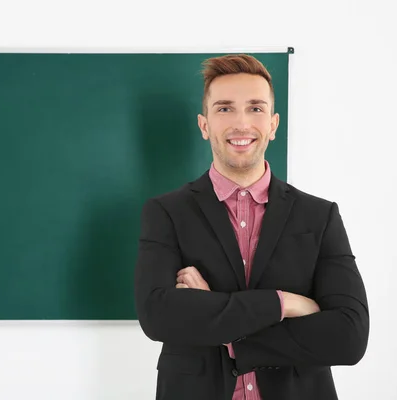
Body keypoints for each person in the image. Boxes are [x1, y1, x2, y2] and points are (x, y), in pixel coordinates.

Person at [133, 54, 369, 400]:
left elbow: (349, 337)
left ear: (273, 125)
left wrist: (217, 317)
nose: (241, 124)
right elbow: (157, 316)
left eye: (255, 108)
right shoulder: (166, 212)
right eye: (225, 108)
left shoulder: (319, 216)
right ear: (204, 125)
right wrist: (283, 304)